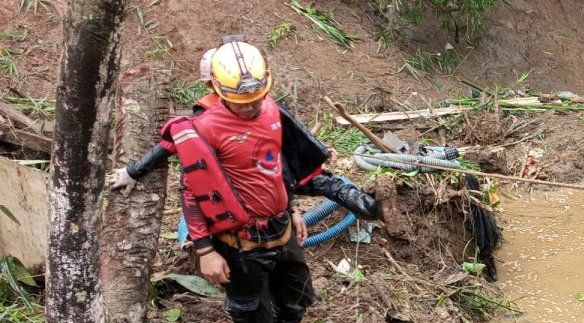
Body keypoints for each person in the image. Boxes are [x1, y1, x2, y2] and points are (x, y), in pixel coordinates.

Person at [172, 39, 321, 323]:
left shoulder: (272, 112)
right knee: (252, 319)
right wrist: (205, 250)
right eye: (242, 103)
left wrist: (293, 208)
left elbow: (277, 168)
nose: (252, 106)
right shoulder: (204, 129)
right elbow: (192, 191)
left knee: (295, 302)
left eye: (257, 98)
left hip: (280, 228)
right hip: (239, 241)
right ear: (218, 92)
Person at [109, 47, 380, 221]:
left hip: (272, 175)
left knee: (325, 184)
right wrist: (133, 171)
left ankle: (365, 204)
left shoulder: (257, 106)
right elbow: (173, 147)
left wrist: (317, 150)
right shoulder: (207, 117)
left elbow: (291, 131)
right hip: (247, 186)